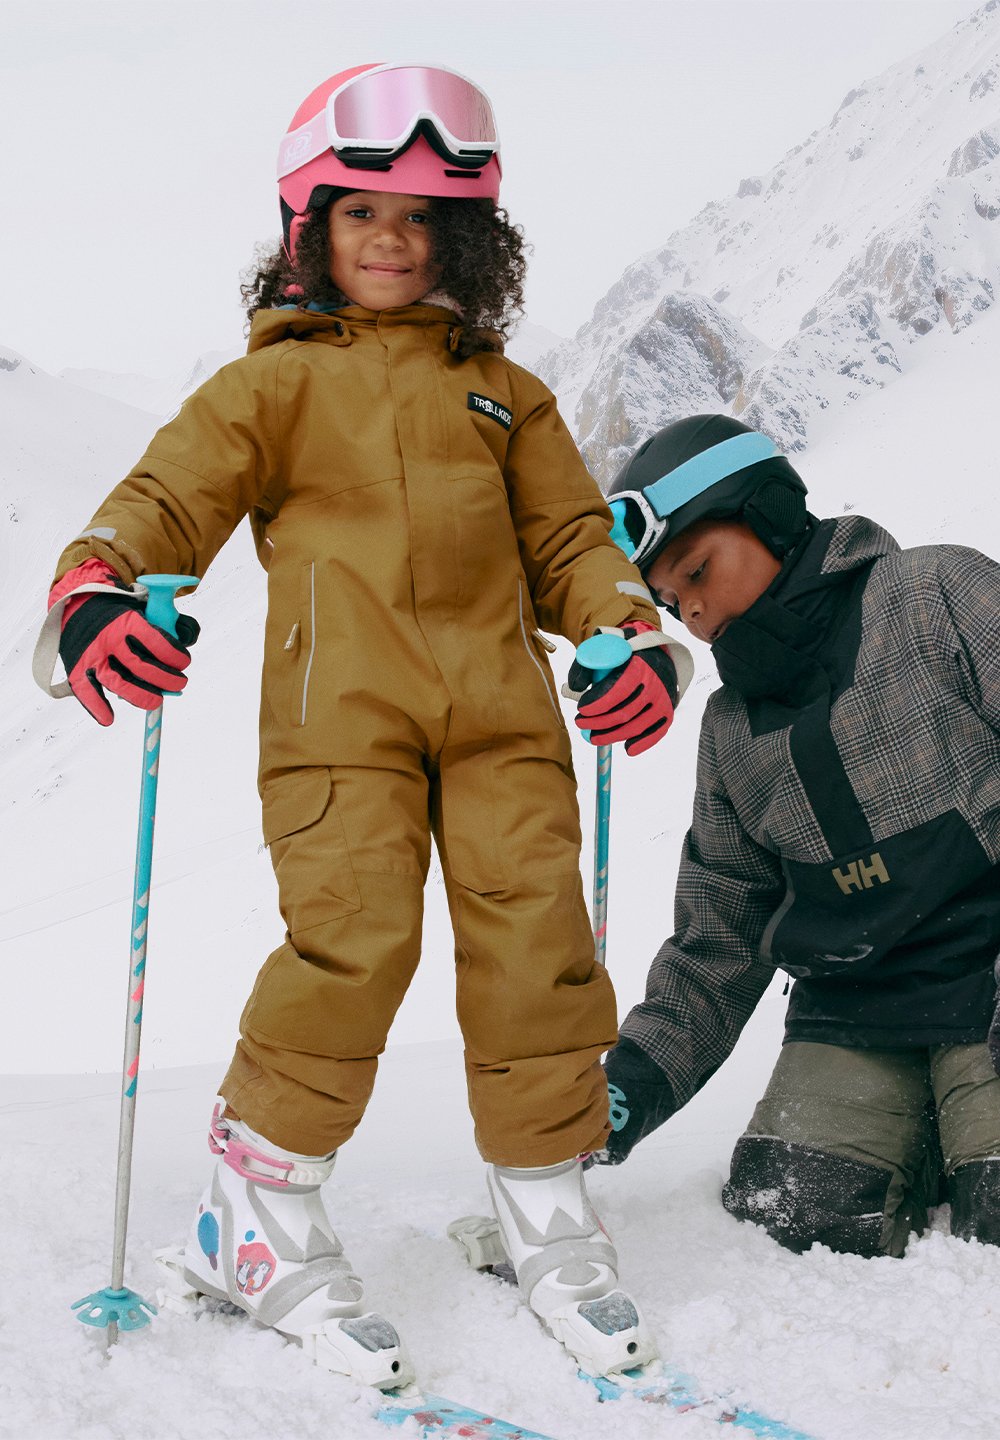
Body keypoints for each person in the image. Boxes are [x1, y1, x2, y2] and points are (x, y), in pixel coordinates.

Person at [32, 64, 694, 1384]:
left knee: (539, 936)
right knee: (355, 935)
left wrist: (628, 633)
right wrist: (97, 593)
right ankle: (255, 1213)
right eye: (363, 215)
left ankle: (545, 1201)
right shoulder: (269, 388)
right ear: (308, 231)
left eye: (421, 219)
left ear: (470, 241)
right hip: (344, 715)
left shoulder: (505, 392)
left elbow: (571, 539)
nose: (391, 242)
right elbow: (161, 502)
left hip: (506, 717)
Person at [578, 412, 1000, 1260]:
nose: (690, 610)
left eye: (697, 570)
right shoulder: (731, 730)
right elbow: (719, 940)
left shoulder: (936, 597)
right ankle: (932, 1140)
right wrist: (629, 1086)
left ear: (769, 513)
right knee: (794, 1213)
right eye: (668, 598)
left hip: (989, 980)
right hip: (857, 1014)